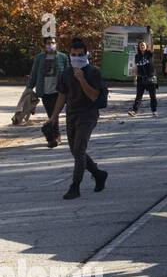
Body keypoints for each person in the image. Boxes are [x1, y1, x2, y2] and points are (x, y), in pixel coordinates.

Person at [47, 38, 108, 200]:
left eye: (80, 55)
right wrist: (53, 117)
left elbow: (94, 96)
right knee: (75, 151)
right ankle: (98, 173)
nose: (76, 58)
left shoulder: (93, 72)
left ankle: (75, 186)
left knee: (79, 150)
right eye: (73, 55)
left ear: (86, 54)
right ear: (70, 55)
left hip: (88, 115)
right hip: (71, 114)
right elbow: (62, 95)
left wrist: (81, 79)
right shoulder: (66, 73)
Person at [27, 35, 68, 125]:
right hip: (44, 91)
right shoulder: (39, 58)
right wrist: (29, 87)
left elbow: (68, 73)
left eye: (53, 43)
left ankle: (55, 135)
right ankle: (55, 135)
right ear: (45, 45)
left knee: (54, 114)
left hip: (58, 91)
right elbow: (34, 73)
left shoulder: (63, 57)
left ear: (56, 44)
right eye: (48, 43)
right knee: (51, 114)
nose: (50, 45)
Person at [128, 40, 158, 117]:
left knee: (153, 96)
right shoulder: (137, 56)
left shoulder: (149, 54)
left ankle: (154, 111)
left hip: (150, 77)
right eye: (140, 45)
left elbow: (152, 49)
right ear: (139, 47)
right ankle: (134, 111)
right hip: (141, 78)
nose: (142, 46)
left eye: (143, 45)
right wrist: (135, 77)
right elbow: (136, 67)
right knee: (138, 96)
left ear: (146, 46)